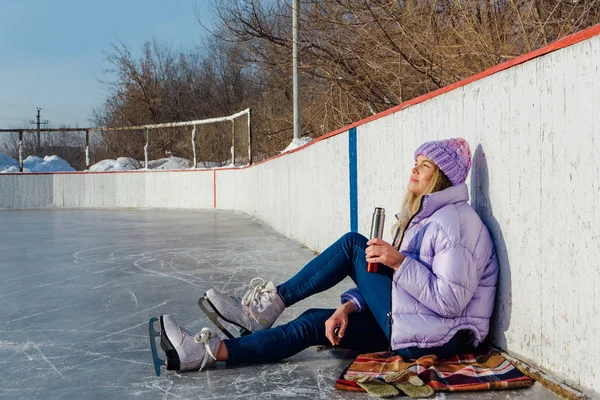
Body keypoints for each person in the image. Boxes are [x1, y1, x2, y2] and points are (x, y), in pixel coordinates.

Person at [154, 137, 499, 373]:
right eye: (416, 162)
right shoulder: (424, 218)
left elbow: (450, 300)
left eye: (425, 166)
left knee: (352, 245)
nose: (414, 170)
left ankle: (266, 307)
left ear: (441, 178)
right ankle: (207, 353)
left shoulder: (456, 222)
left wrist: (397, 261)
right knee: (317, 322)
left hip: (439, 337)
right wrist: (348, 307)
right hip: (417, 327)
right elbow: (399, 289)